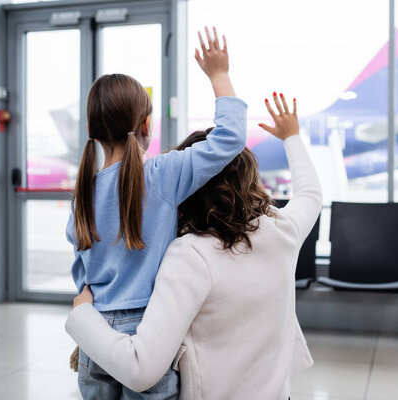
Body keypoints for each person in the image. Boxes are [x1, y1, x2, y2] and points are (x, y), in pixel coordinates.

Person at [66, 92, 323, 400]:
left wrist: (83, 318)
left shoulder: (189, 255)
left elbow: (141, 368)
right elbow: (310, 194)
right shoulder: (283, 231)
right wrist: (292, 137)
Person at [66, 27, 246, 399]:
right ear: (146, 126)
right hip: (150, 335)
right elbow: (230, 138)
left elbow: (83, 275)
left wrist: (88, 329)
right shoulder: (163, 175)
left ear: (93, 131)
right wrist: (219, 75)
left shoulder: (82, 194)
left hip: (95, 335)